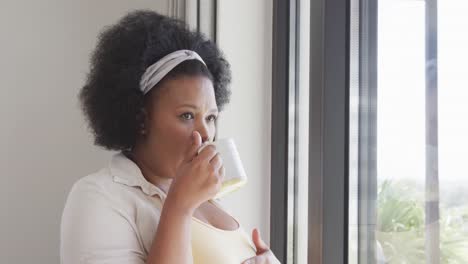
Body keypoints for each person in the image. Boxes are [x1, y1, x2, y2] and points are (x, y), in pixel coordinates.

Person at [60, 10, 280, 264]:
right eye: (187, 115)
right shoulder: (99, 197)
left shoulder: (211, 199)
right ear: (141, 118)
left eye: (210, 117)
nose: (206, 132)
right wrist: (180, 206)